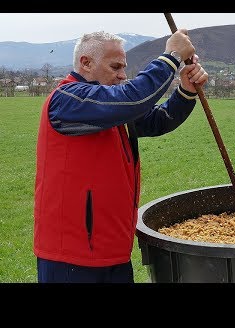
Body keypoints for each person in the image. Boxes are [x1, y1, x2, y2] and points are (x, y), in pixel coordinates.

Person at [33, 29, 208, 283]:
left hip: (113, 251)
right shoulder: (66, 100)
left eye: (124, 67)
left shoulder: (112, 109)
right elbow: (132, 99)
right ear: (86, 63)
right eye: (115, 66)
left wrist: (186, 91)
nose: (123, 75)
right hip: (72, 258)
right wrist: (171, 56)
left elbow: (159, 120)